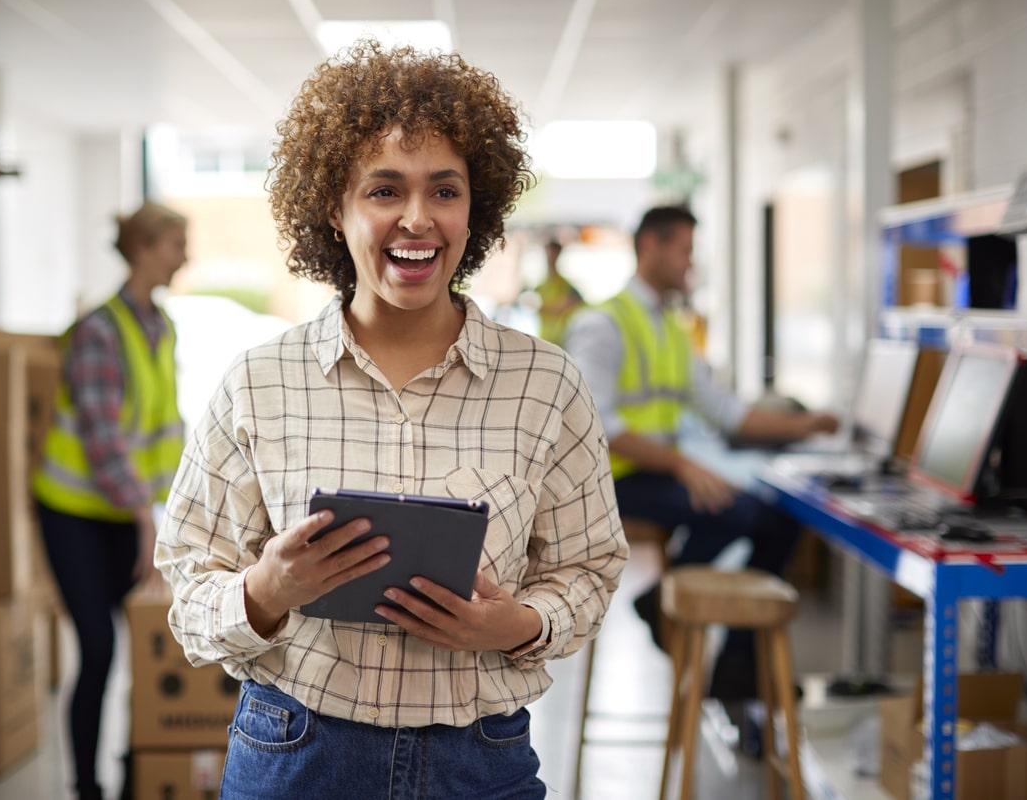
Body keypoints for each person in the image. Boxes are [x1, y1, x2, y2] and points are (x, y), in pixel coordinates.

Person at [154, 39, 627, 798]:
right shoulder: (257, 382)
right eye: (383, 190)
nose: (417, 218)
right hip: (296, 756)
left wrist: (519, 625)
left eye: (445, 190)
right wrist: (266, 589)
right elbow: (188, 585)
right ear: (334, 210)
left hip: (480, 762)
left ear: (475, 209)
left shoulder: (547, 385)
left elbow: (590, 569)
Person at [564, 205, 838, 704]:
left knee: (778, 518)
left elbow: (725, 412)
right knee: (741, 512)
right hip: (609, 482)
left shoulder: (671, 327)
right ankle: (669, 609)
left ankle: (729, 658)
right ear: (651, 245)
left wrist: (807, 425)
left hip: (654, 474)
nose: (691, 262)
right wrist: (683, 465)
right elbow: (598, 424)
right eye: (685, 250)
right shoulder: (603, 324)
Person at [31, 201, 189, 800]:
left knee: (151, 644)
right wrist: (147, 518)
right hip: (74, 514)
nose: (184, 258)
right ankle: (86, 786)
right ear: (143, 249)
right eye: (176, 245)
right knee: (97, 648)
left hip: (130, 514)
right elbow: (103, 441)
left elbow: (167, 427)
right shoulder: (98, 332)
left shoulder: (162, 327)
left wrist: (178, 510)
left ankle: (138, 771)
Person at [534, 237, 583, 347]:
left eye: (554, 252)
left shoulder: (565, 284)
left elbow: (574, 302)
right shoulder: (540, 285)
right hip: (544, 339)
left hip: (560, 339)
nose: (551, 256)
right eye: (549, 252)